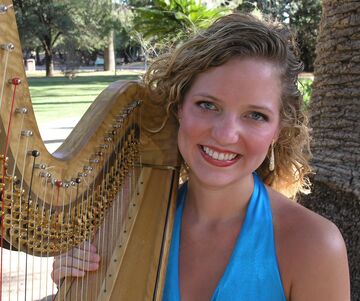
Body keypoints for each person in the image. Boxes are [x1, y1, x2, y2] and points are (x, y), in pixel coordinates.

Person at [51, 13, 350, 300]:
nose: (225, 134)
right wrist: (75, 286)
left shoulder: (314, 245)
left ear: (278, 131)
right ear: (179, 106)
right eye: (208, 105)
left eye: (255, 115)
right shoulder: (124, 230)